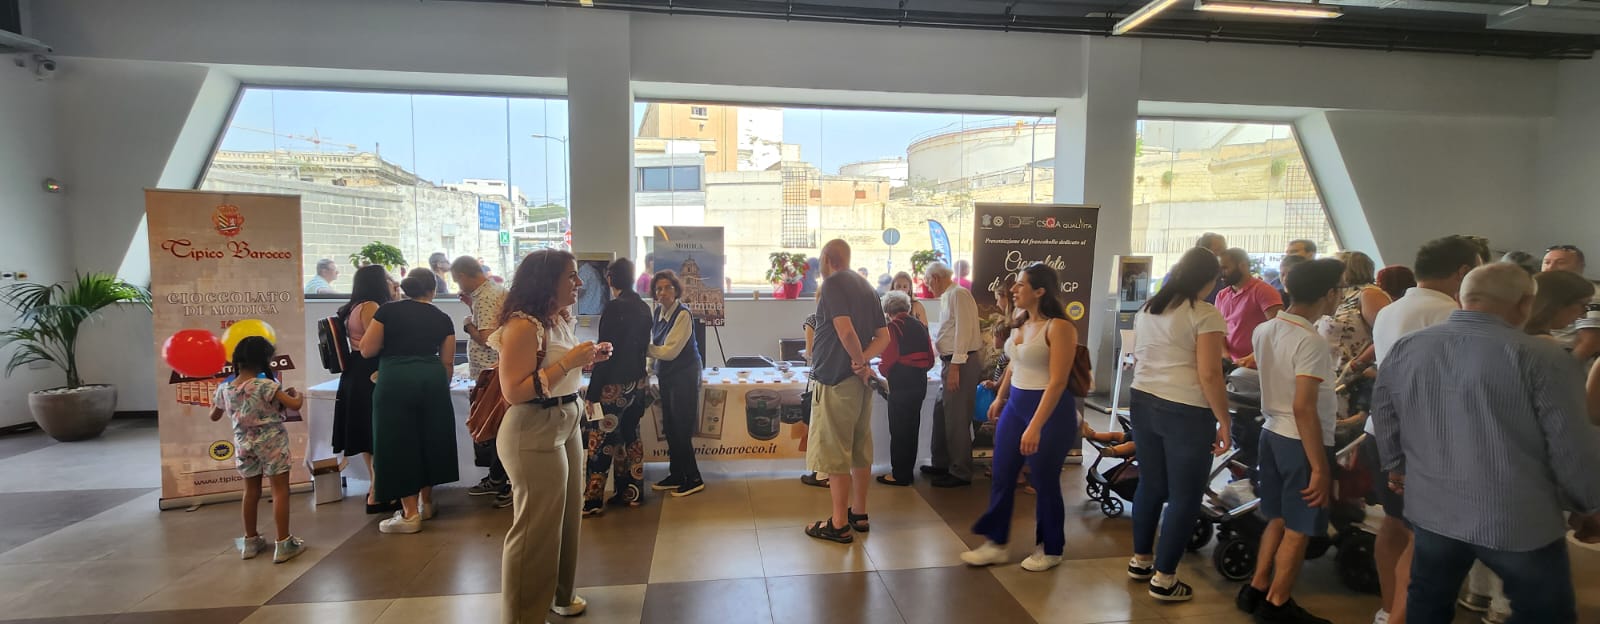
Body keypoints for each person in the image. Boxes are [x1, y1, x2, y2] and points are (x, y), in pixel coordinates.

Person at [1373, 263, 1600, 624]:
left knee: (1427, 603)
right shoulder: (1545, 359)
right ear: (1525, 303)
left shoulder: (1409, 347)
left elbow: (1385, 414)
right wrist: (1588, 504)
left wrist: (1396, 466)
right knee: (1544, 613)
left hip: (1432, 509)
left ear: (1460, 297)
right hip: (1516, 518)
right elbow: (1571, 445)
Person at [1364, 235, 1482, 624]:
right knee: (1424, 539)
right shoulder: (1450, 314)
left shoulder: (1390, 309)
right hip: (1422, 441)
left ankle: (1388, 611)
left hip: (1379, 432)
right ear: (1463, 272)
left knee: (1393, 526)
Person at [493, 249, 612, 623]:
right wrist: (569, 362)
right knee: (536, 528)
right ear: (547, 282)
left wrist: (585, 359)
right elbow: (514, 391)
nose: (579, 283)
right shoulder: (522, 326)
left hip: (566, 420)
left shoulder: (558, 319)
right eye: (571, 276)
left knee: (567, 518)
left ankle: (561, 594)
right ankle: (523, 615)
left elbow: (557, 370)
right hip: (534, 427)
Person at [1235, 257, 1345, 624]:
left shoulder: (1265, 329)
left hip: (1272, 433)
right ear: (1329, 293)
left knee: (1278, 517)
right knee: (1299, 529)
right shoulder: (1310, 341)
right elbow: (1304, 407)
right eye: (1340, 289)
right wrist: (1320, 468)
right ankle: (1277, 604)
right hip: (1301, 441)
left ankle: (1256, 587)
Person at [1125, 247, 1233, 601]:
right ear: (1209, 279)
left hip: (1143, 400)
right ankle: (1165, 579)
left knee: (1151, 485)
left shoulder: (1149, 309)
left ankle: (1141, 561)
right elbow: (1210, 374)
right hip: (1186, 410)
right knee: (1185, 496)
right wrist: (1224, 420)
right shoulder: (1204, 314)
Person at [959, 263, 1080, 573]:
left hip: (1050, 410)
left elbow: (1058, 381)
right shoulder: (1020, 321)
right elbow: (1014, 363)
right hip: (1016, 405)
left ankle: (1050, 548)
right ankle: (996, 543)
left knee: (1043, 480)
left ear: (1040, 291)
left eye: (1020, 284)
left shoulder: (1059, 328)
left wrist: (1035, 426)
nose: (1013, 289)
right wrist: (1001, 397)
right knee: (1002, 474)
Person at [359, 268, 459, 535]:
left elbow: (367, 349)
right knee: (430, 439)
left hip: (395, 378)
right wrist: (440, 385)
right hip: (432, 378)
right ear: (433, 290)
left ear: (405, 288)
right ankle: (427, 503)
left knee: (398, 443)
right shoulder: (443, 317)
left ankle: (409, 514)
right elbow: (448, 362)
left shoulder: (387, 311)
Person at [803, 239, 889, 544]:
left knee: (835, 451)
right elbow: (884, 337)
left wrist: (857, 360)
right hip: (859, 382)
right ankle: (859, 512)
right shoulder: (866, 287)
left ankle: (838, 522)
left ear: (827, 258)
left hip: (835, 379)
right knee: (859, 447)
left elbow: (845, 329)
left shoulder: (833, 284)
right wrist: (863, 362)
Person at [209, 336, 306, 564]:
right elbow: (295, 405)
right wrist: (297, 395)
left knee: (250, 491)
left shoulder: (225, 389)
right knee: (280, 490)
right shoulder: (266, 386)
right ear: (263, 360)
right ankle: (283, 543)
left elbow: (214, 415)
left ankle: (250, 541)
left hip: (244, 445)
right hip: (272, 443)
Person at [581, 258, 653, 515]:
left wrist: (592, 392)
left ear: (610, 279)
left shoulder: (613, 308)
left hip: (613, 385)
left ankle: (593, 500)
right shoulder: (644, 307)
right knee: (630, 435)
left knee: (600, 440)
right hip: (638, 382)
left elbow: (605, 352)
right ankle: (632, 492)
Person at [334, 265, 395, 514]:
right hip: (371, 369)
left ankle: (375, 486)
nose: (392, 282)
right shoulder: (372, 307)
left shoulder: (352, 307)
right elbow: (377, 342)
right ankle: (378, 492)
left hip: (355, 370)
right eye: (388, 278)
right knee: (376, 431)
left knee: (367, 434)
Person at [453, 256, 512, 509]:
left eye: (457, 281)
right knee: (497, 428)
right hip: (493, 372)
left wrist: (468, 326)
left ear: (463, 276)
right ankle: (498, 476)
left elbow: (488, 339)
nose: (459, 286)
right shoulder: (492, 292)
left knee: (495, 427)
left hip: (491, 374)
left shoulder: (486, 297)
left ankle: (502, 480)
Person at [1316, 251, 1391, 441]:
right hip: (1332, 375)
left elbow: (1386, 334)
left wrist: (1360, 362)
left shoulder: (1368, 294)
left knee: (1347, 436)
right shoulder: (1339, 295)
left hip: (1354, 378)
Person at [923, 261, 984, 488]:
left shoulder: (959, 294)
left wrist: (956, 366)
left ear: (936, 278)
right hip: (950, 362)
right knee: (942, 413)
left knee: (957, 417)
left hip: (961, 363)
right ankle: (942, 462)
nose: (928, 286)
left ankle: (960, 471)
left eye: (928, 282)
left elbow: (963, 331)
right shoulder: (948, 296)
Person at [648, 270, 706, 498]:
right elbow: (656, 344)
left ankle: (693, 477)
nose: (662, 292)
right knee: (670, 427)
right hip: (667, 375)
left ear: (676, 290)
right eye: (658, 289)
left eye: (667, 288)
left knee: (681, 428)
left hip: (684, 376)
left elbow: (670, 351)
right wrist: (647, 369)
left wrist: (642, 349)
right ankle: (676, 474)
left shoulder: (683, 315)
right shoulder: (658, 313)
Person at [876, 290, 934, 486]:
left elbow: (888, 358)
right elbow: (930, 359)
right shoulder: (919, 325)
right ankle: (908, 471)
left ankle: (899, 475)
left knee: (899, 430)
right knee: (911, 428)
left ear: (887, 311)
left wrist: (882, 371)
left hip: (901, 382)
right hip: (919, 383)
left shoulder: (893, 327)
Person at [1215, 248, 1284, 367]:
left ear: (1243, 265)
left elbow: (1279, 329)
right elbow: (1218, 331)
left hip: (1260, 365)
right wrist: (1226, 356)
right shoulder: (1222, 295)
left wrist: (1252, 357)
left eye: (1225, 268)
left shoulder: (1264, 291)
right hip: (1233, 365)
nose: (1221, 273)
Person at [1542, 245, 1600, 360]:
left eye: (1560, 263)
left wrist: (1566, 367)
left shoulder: (1591, 295)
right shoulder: (1537, 290)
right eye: (1547, 262)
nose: (1550, 267)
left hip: (1564, 358)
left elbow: (1591, 341)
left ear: (1580, 267)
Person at [799, 313, 829, 489]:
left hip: (819, 378)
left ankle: (821, 473)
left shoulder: (813, 319)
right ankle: (833, 473)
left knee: (818, 428)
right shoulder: (849, 317)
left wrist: (807, 353)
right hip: (843, 378)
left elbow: (810, 352)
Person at [1526, 270, 1597, 343]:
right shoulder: (1544, 342)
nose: (1584, 315)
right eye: (1584, 305)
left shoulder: (1519, 332)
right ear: (1558, 303)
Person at [1163, 233, 1228, 304]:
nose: (1224, 254)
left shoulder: (1224, 278)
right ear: (1203, 252)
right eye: (1218, 250)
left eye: (1225, 250)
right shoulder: (1176, 276)